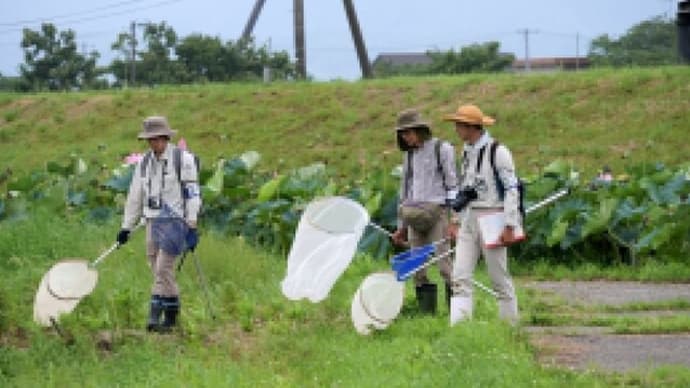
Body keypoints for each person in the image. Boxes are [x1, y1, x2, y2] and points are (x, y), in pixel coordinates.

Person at [116, 116, 202, 332]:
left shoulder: (183, 160)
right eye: (150, 140)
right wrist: (126, 227)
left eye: (157, 138)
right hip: (152, 220)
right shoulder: (144, 163)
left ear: (165, 137)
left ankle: (156, 316)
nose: (154, 143)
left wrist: (192, 225)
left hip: (175, 220)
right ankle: (170, 316)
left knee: (163, 267)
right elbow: (135, 196)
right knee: (157, 269)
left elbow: (192, 194)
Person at [443, 104, 520, 326]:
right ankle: (460, 328)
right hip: (469, 218)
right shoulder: (466, 151)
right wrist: (455, 220)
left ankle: (510, 327)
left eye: (459, 125)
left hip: (493, 217)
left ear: (471, 127)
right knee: (459, 276)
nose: (456, 129)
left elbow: (511, 189)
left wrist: (509, 224)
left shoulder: (499, 152)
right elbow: (463, 187)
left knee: (498, 278)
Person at [391, 109, 459, 314]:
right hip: (413, 216)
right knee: (417, 268)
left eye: (409, 132)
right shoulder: (409, 156)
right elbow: (404, 191)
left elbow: (453, 185)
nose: (406, 137)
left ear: (421, 130)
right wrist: (400, 227)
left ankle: (456, 312)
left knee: (444, 266)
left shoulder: (442, 149)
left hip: (437, 213)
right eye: (402, 134)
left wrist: (455, 219)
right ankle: (427, 314)